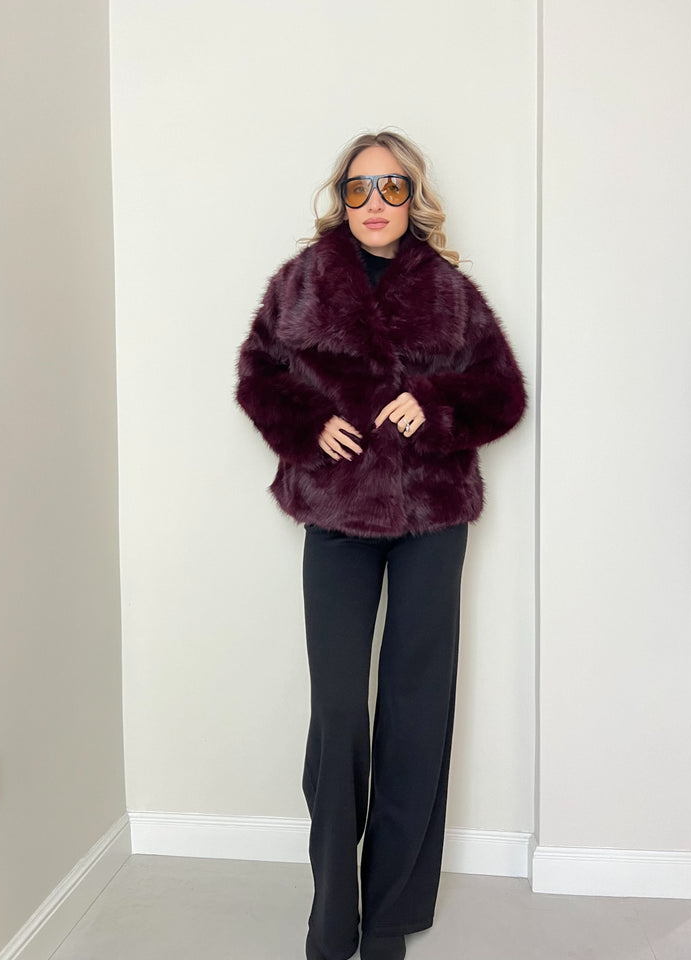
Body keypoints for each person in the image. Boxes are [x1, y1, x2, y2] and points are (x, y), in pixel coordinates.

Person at [236, 130, 526, 960]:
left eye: (392, 188)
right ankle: (333, 909)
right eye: (360, 188)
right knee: (339, 713)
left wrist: (433, 403)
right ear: (342, 197)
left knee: (416, 706)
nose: (375, 203)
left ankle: (391, 916)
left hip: (432, 517)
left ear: (413, 198)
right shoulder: (300, 283)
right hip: (337, 517)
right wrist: (307, 424)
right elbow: (258, 376)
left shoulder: (451, 293)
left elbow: (503, 393)